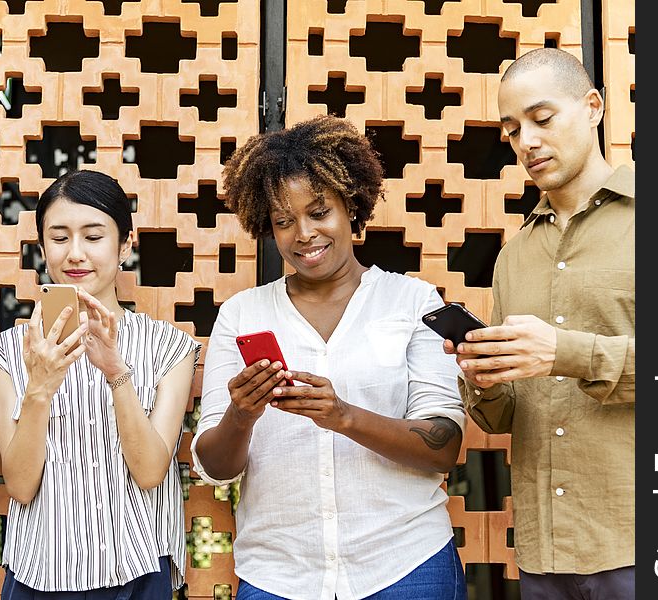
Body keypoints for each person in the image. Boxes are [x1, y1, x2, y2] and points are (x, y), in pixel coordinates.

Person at [192, 115, 467, 600]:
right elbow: (216, 466)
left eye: (319, 212)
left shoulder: (413, 302)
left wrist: (343, 416)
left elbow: (444, 446)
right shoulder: (242, 314)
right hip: (280, 574)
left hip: (405, 565)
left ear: (351, 205)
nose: (303, 233)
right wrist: (241, 415)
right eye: (283, 221)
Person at [445, 48, 635, 599]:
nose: (525, 141)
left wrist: (565, 353)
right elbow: (504, 417)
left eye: (541, 119)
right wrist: (483, 376)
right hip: (543, 553)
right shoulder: (515, 255)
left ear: (593, 107)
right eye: (511, 130)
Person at [0, 169, 200, 599]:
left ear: (125, 244)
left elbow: (150, 471)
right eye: (60, 237)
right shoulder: (10, 351)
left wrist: (117, 373)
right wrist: (41, 387)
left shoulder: (169, 347)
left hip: (138, 567)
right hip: (39, 571)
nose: (76, 253)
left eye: (94, 236)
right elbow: (22, 485)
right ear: (43, 247)